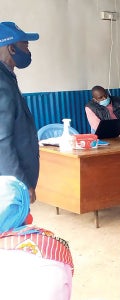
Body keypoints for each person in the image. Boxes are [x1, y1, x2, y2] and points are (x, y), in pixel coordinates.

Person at [0, 22, 40, 205]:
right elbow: (2, 141)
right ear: (12, 48)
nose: (28, 51)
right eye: (25, 45)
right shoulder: (2, 83)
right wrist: (21, 183)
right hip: (9, 185)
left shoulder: (7, 77)